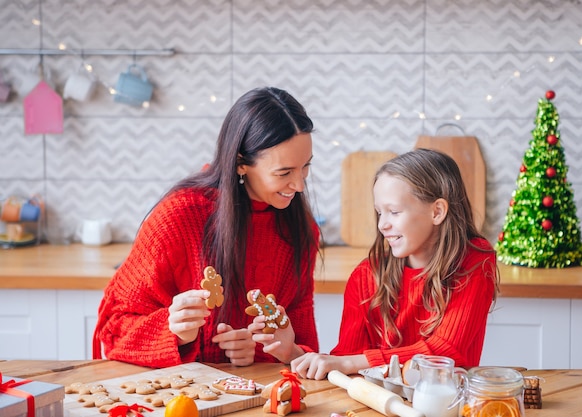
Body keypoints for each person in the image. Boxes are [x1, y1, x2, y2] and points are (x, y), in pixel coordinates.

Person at [92, 86, 320, 368]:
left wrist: (263, 352)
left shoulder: (300, 229)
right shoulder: (179, 217)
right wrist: (174, 332)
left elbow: (304, 347)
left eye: (305, 167)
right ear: (240, 164)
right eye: (284, 172)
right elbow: (114, 329)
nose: (299, 185)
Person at [290, 148, 499, 380]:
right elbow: (346, 360)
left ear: (437, 211)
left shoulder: (475, 261)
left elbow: (447, 350)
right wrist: (294, 353)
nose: (382, 225)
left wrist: (351, 362)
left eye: (394, 212)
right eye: (380, 212)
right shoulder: (366, 276)